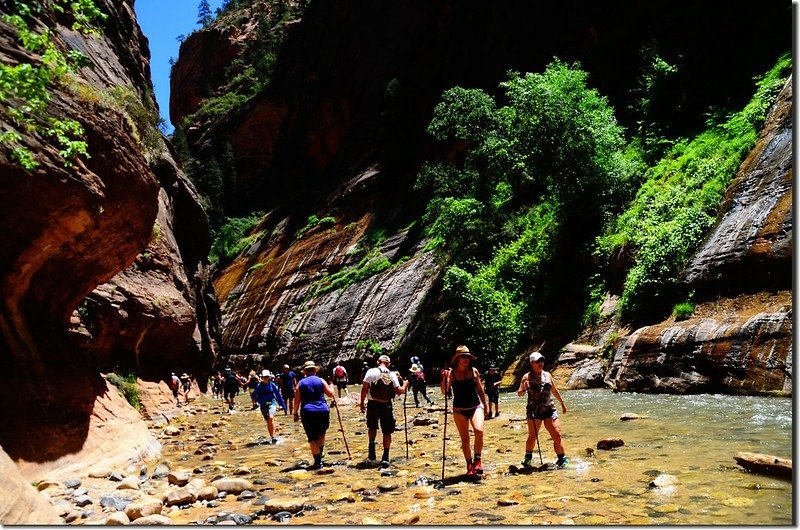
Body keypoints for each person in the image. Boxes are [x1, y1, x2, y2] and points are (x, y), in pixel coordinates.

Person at [442, 345, 489, 476]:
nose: (466, 359)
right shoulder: (451, 374)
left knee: (479, 431)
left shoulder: (474, 371)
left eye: (467, 357)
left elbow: (480, 389)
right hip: (459, 410)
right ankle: (469, 464)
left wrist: (485, 405)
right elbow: (444, 391)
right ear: (457, 358)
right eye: (463, 357)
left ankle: (477, 460)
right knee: (465, 439)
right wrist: (444, 379)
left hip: (475, 406)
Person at [517, 351, 569, 468]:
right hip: (534, 411)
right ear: (532, 363)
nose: (540, 363)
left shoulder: (548, 375)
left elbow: (554, 390)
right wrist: (524, 388)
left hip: (549, 409)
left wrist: (562, 403)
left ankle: (562, 459)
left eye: (542, 361)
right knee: (533, 436)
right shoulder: (527, 376)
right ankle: (528, 457)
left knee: (557, 435)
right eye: (537, 361)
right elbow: (519, 394)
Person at [360, 354, 409, 467]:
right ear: (389, 364)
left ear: (378, 362)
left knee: (372, 427)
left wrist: (362, 403)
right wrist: (405, 384)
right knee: (387, 431)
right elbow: (399, 391)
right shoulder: (392, 374)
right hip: (386, 405)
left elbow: (364, 389)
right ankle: (385, 457)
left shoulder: (371, 372)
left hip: (372, 404)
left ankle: (371, 452)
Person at [293, 360, 336, 470]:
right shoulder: (321, 380)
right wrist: (331, 386)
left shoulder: (301, 383)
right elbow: (330, 394)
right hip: (322, 410)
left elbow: (297, 400)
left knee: (312, 437)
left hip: (308, 411)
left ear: (305, 372)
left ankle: (318, 462)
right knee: (321, 434)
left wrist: (295, 413)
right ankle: (320, 455)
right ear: (314, 370)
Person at [253, 370, 287, 443]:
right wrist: (260, 401)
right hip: (263, 405)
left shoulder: (272, 385)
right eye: (264, 377)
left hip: (272, 403)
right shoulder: (259, 386)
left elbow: (278, 395)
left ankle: (273, 436)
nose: (265, 378)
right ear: (262, 377)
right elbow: (254, 395)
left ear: (269, 377)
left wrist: (283, 405)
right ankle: (271, 436)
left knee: (271, 417)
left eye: (267, 377)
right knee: (268, 421)